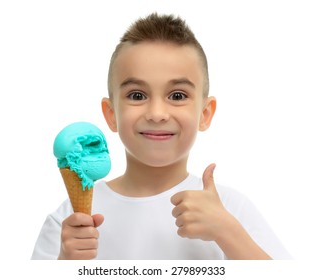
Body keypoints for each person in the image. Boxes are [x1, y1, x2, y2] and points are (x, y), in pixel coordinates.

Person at [31, 13, 291, 260]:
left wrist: (228, 232)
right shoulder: (68, 221)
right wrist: (65, 262)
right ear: (111, 114)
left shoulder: (229, 209)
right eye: (137, 95)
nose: (157, 114)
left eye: (177, 96)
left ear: (205, 114)